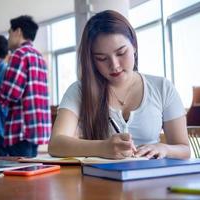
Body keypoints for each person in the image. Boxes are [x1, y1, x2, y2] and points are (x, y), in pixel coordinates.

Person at [48, 10, 190, 159]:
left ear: (134, 46)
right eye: (102, 58)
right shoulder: (80, 91)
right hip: (98, 179)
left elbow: (184, 149)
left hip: (153, 177)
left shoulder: (162, 87)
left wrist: (163, 148)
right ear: (92, 60)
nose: (114, 65)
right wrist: (102, 148)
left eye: (121, 53)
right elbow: (56, 144)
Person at [0, 15, 51, 157]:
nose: (8, 38)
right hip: (38, 128)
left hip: (22, 127)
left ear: (18, 32)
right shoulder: (39, 57)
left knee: (19, 175)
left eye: (9, 32)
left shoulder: (19, 54)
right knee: (31, 172)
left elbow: (12, 93)